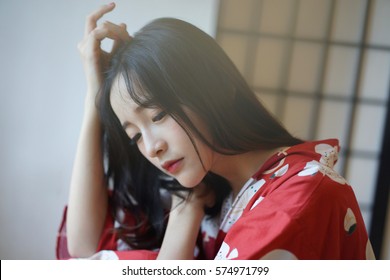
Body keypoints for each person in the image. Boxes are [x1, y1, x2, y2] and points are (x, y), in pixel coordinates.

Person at [57, 3, 375, 260]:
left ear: (218, 88)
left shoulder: (300, 196)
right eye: (135, 136)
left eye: (159, 114)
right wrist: (94, 98)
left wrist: (186, 214)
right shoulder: (205, 182)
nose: (151, 147)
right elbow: (83, 245)